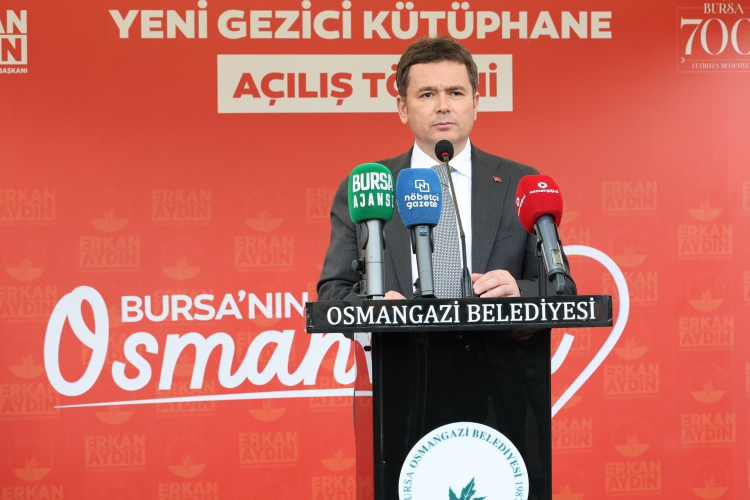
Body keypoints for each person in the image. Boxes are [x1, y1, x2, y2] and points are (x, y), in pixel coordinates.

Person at [317, 36, 576, 500]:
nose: (443, 105)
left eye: (455, 92)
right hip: (403, 389)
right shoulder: (369, 186)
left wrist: (519, 290)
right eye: (426, 93)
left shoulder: (521, 182)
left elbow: (561, 290)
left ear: (476, 102)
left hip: (505, 390)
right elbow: (333, 294)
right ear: (402, 108)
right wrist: (375, 308)